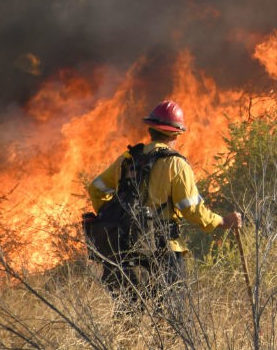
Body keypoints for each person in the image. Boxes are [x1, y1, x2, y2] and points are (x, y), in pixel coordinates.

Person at [86, 100, 242, 313]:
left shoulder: (128, 159)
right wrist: (222, 221)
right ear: (176, 134)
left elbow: (96, 188)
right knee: (170, 317)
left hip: (124, 249)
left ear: (150, 129)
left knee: (128, 315)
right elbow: (192, 209)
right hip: (164, 251)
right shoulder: (175, 164)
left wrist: (113, 215)